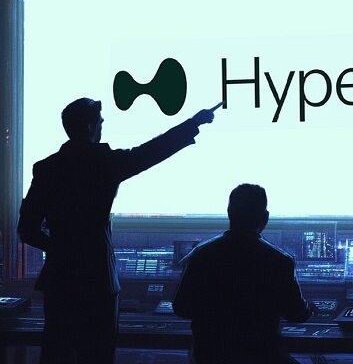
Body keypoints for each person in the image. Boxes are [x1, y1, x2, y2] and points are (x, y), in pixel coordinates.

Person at [17, 97, 219, 364]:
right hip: (99, 279)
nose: (102, 127)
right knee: (98, 353)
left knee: (58, 351)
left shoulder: (46, 169)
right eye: (100, 122)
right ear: (90, 127)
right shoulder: (104, 163)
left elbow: (27, 229)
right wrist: (194, 123)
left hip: (60, 280)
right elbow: (152, 151)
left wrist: (61, 248)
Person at [173, 183, 313, 364]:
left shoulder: (201, 255)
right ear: (265, 217)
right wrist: (310, 307)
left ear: (229, 213)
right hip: (261, 356)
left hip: (208, 355)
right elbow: (297, 314)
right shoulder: (280, 261)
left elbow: (181, 307)